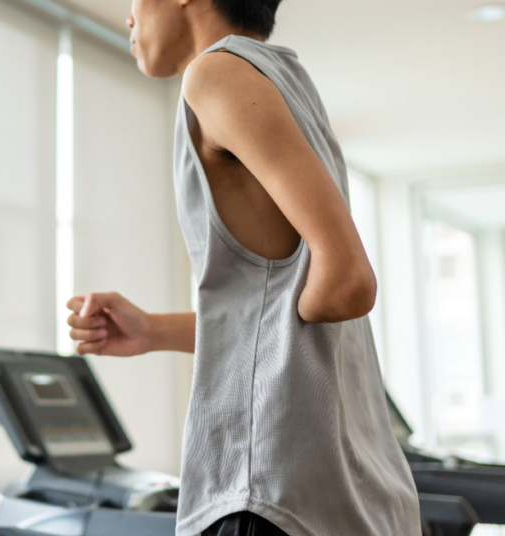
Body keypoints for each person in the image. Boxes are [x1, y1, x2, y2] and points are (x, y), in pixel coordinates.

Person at [65, 0, 422, 535]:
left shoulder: (215, 74)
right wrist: (152, 330)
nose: (129, 18)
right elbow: (281, 307)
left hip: (268, 491)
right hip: (348, 497)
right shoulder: (281, 77)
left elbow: (346, 283)